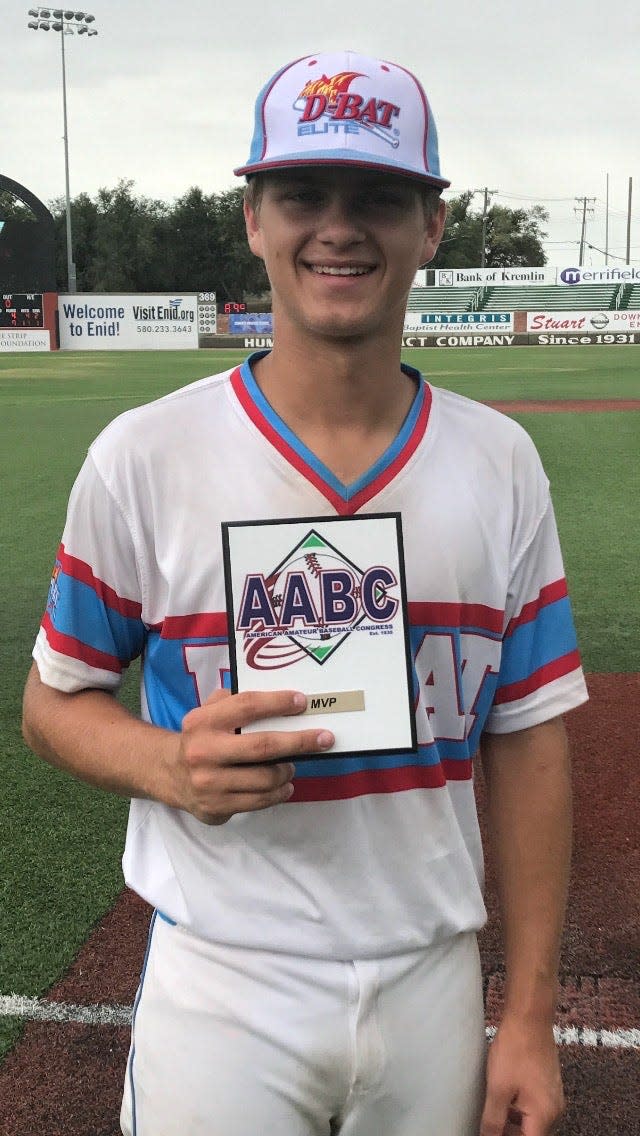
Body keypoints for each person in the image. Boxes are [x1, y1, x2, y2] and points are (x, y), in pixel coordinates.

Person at [22, 49, 588, 1136]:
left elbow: (528, 738)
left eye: (379, 196)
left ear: (430, 225)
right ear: (253, 218)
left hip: (431, 974)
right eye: (302, 194)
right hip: (222, 974)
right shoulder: (146, 454)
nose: (339, 226)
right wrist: (167, 759)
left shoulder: (500, 460)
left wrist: (527, 1014)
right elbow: (54, 702)